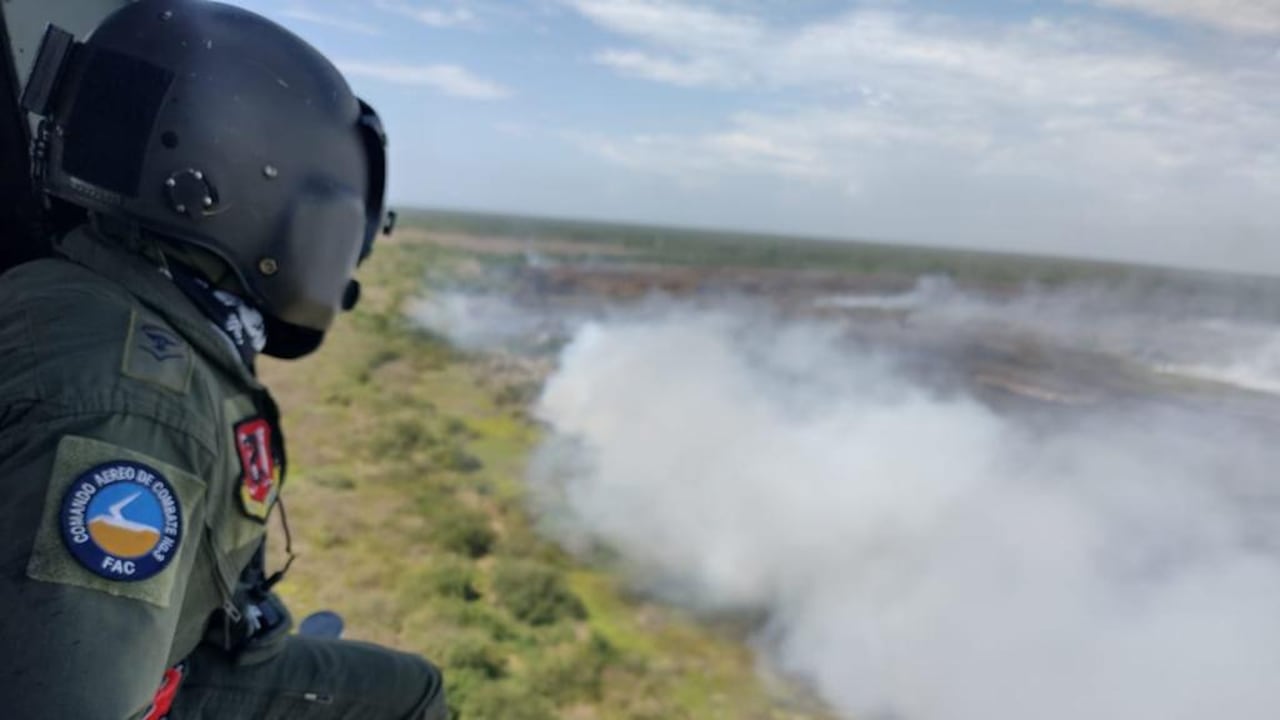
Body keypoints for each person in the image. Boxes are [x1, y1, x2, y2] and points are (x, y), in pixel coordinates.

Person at [0, 1, 447, 717]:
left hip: (172, 652)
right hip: (151, 691)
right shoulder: (134, 410)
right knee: (411, 693)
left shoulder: (93, 293)